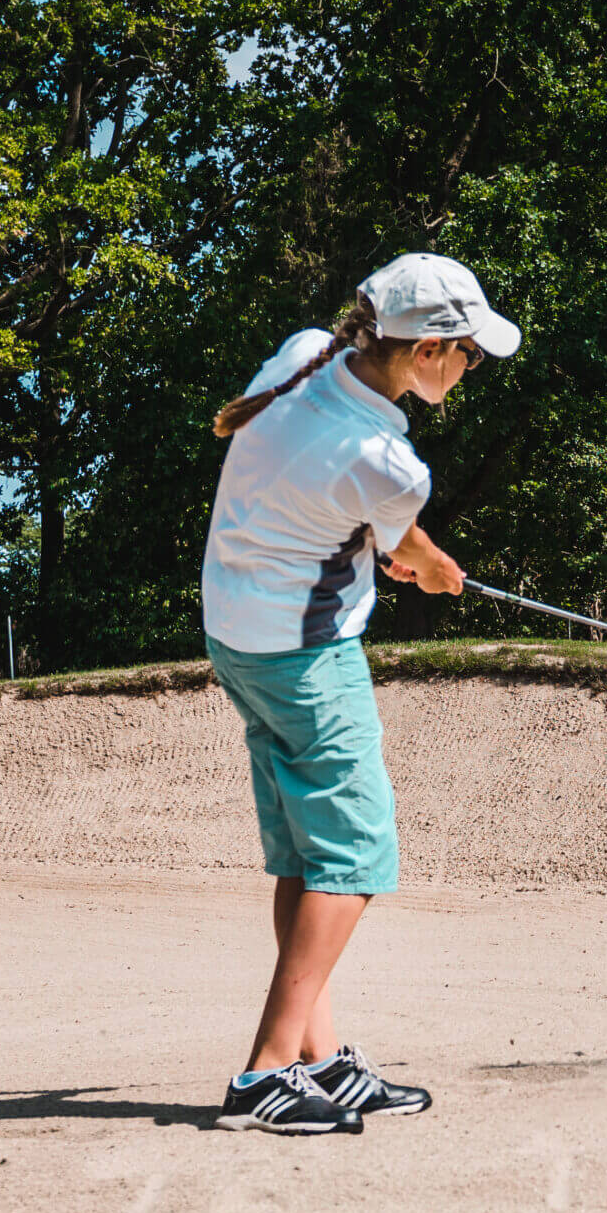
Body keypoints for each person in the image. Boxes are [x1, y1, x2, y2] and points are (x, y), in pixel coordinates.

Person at [199, 252, 521, 1134]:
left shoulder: (304, 352)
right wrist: (432, 567)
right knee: (354, 858)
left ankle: (320, 1057)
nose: (472, 368)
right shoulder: (390, 462)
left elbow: (343, 508)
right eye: (469, 353)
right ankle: (265, 1074)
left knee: (308, 858)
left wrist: (406, 553)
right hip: (305, 658)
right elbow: (400, 537)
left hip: (237, 635)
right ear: (426, 353)